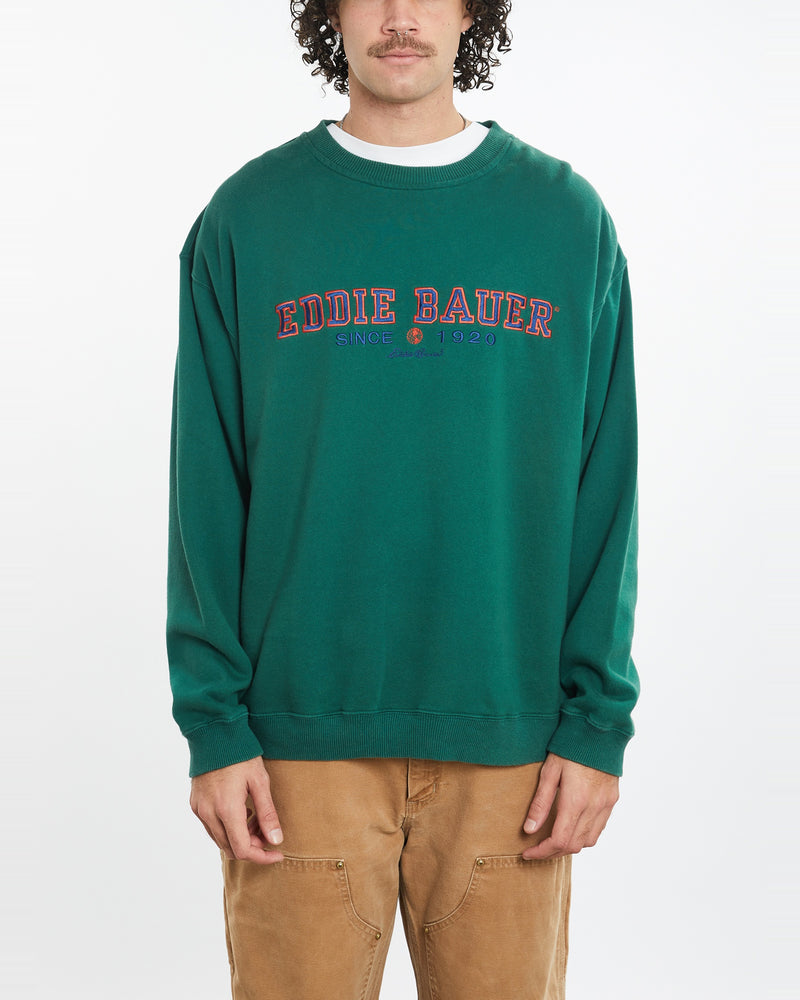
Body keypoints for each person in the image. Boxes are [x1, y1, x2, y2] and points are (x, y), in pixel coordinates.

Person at [167, 2, 639, 997]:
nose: (397, 16)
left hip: (512, 748)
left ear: (471, 11)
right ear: (327, 11)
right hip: (294, 750)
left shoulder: (564, 221)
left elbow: (607, 486)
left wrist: (596, 723)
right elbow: (204, 488)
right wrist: (213, 724)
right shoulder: (249, 219)